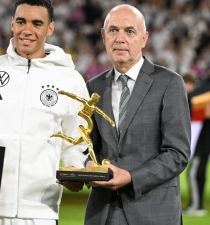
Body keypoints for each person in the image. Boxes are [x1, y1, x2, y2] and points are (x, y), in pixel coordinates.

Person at [0, 0, 89, 224]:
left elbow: (76, 141)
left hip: (41, 211)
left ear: (50, 28)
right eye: (22, 21)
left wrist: (74, 170)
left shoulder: (70, 80)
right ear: (12, 24)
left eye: (37, 23)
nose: (28, 30)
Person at [75, 4, 191, 225]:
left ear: (144, 38)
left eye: (129, 31)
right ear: (103, 35)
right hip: (103, 213)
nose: (120, 38)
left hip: (154, 213)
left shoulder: (169, 83)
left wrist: (131, 177)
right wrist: (88, 166)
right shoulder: (93, 87)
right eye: (113, 30)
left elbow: (177, 154)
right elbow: (89, 147)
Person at [183, 70, 210, 216]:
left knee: (194, 174)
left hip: (201, 145)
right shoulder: (200, 99)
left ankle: (197, 206)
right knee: (195, 173)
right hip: (201, 145)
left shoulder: (199, 98)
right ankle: (196, 204)